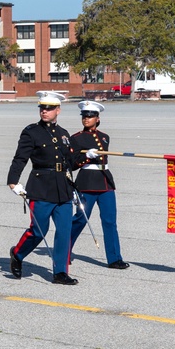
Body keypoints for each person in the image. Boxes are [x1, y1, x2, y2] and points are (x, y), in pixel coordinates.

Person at [7, 91, 79, 285]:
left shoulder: (64, 134)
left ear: (58, 110)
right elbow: (20, 158)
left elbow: (70, 163)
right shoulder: (31, 132)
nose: (44, 111)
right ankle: (18, 253)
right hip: (41, 187)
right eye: (42, 108)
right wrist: (13, 181)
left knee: (64, 232)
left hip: (62, 188)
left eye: (48, 108)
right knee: (39, 230)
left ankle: (60, 272)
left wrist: (88, 157)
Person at [69, 101, 130, 269]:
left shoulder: (105, 137)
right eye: (84, 116)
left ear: (97, 118)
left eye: (90, 116)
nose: (86, 119)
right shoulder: (76, 139)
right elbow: (72, 165)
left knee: (110, 222)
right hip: (87, 183)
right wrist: (87, 157)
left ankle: (114, 258)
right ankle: (64, 251)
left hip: (105, 183)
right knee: (81, 219)